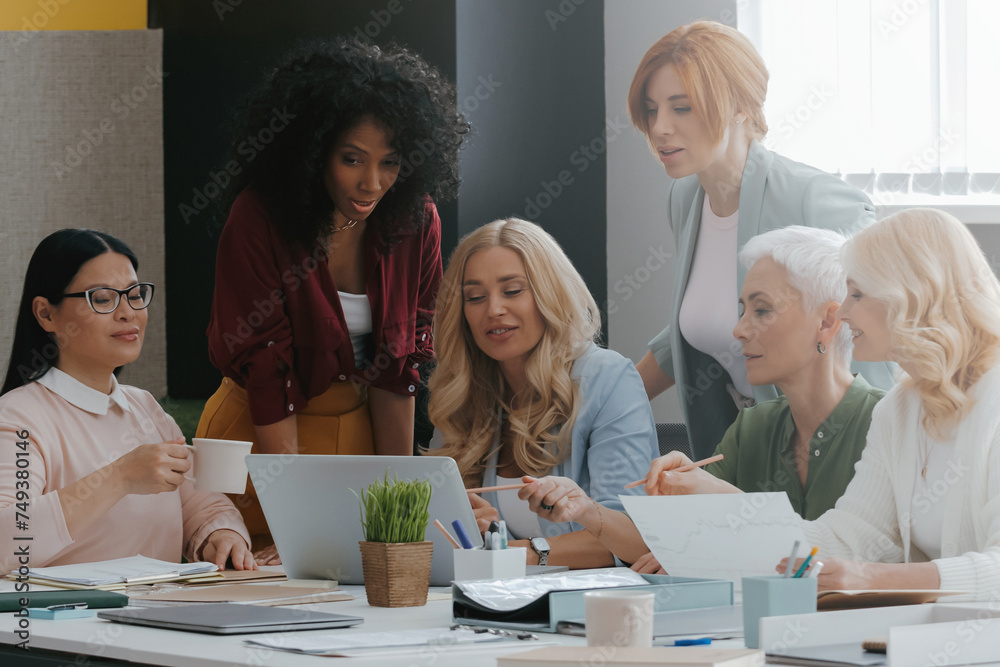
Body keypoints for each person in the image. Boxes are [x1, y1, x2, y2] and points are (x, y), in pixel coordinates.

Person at [197, 37, 469, 558]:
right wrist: (293, 524)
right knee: (251, 588)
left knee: (376, 574)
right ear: (313, 149)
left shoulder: (415, 221)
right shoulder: (259, 219)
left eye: (390, 163)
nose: (372, 183)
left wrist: (402, 511)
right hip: (253, 438)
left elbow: (399, 369)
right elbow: (268, 376)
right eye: (352, 159)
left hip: (355, 431)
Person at [519, 226, 885, 568]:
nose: (739, 330)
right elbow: (654, 547)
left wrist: (713, 517)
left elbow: (871, 564)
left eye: (762, 310)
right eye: (743, 310)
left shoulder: (886, 424)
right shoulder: (753, 427)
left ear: (826, 321)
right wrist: (584, 509)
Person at [628, 20, 893, 458]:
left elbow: (882, 330)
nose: (660, 128)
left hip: (844, 450)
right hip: (750, 448)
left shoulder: (817, 201)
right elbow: (701, 318)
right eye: (652, 110)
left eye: (682, 108)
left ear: (739, 107)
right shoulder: (685, 197)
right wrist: (605, 399)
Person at [773, 209, 1000, 601]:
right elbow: (853, 538)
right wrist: (722, 507)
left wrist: (876, 579)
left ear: (914, 295)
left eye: (857, 294)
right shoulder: (899, 409)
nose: (842, 312)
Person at [0, 229, 254, 573]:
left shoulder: (146, 409)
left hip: (160, 612)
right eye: (103, 299)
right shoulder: (17, 417)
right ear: (46, 314)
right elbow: (8, 539)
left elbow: (202, 506)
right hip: (65, 620)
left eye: (135, 295)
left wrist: (222, 535)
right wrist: (119, 478)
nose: (128, 312)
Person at [426, 219, 659, 569]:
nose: (493, 309)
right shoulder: (462, 391)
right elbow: (440, 534)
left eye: (512, 290)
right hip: (494, 601)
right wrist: (480, 534)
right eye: (475, 297)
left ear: (549, 293)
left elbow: (633, 539)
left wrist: (512, 552)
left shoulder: (607, 378)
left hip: (586, 605)